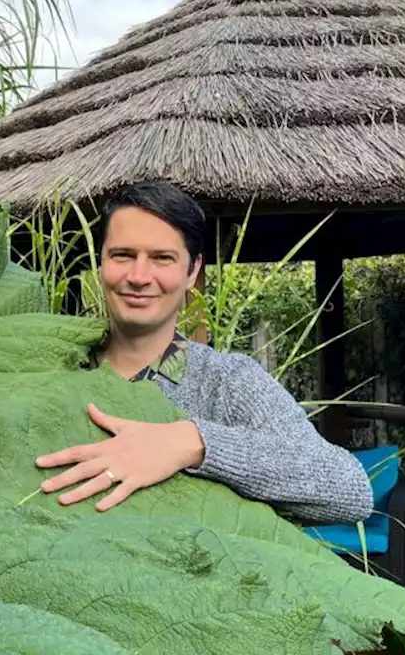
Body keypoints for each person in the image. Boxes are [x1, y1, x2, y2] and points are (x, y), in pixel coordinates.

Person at [34, 182, 374, 524]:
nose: (139, 276)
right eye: (123, 255)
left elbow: (348, 490)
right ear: (101, 262)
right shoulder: (49, 364)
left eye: (162, 258)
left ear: (191, 271)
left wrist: (194, 443)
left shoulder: (226, 382)